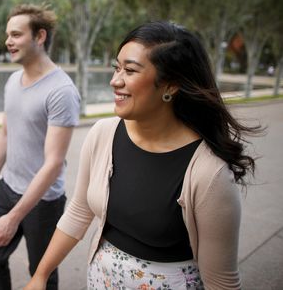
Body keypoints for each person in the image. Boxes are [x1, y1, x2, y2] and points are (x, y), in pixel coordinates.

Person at [25, 21, 262, 290]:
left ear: (170, 85)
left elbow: (222, 282)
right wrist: (40, 276)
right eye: (117, 67)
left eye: (130, 70)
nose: (115, 80)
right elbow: (79, 211)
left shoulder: (210, 173)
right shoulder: (103, 134)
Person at [0, 4, 80, 290]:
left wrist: (14, 217)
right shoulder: (12, 81)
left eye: (16, 34)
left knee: (42, 273)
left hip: (44, 202)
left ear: (39, 36)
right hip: (7, 188)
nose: (8, 41)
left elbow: (54, 163)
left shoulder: (61, 91)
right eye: (7, 35)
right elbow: (5, 133)